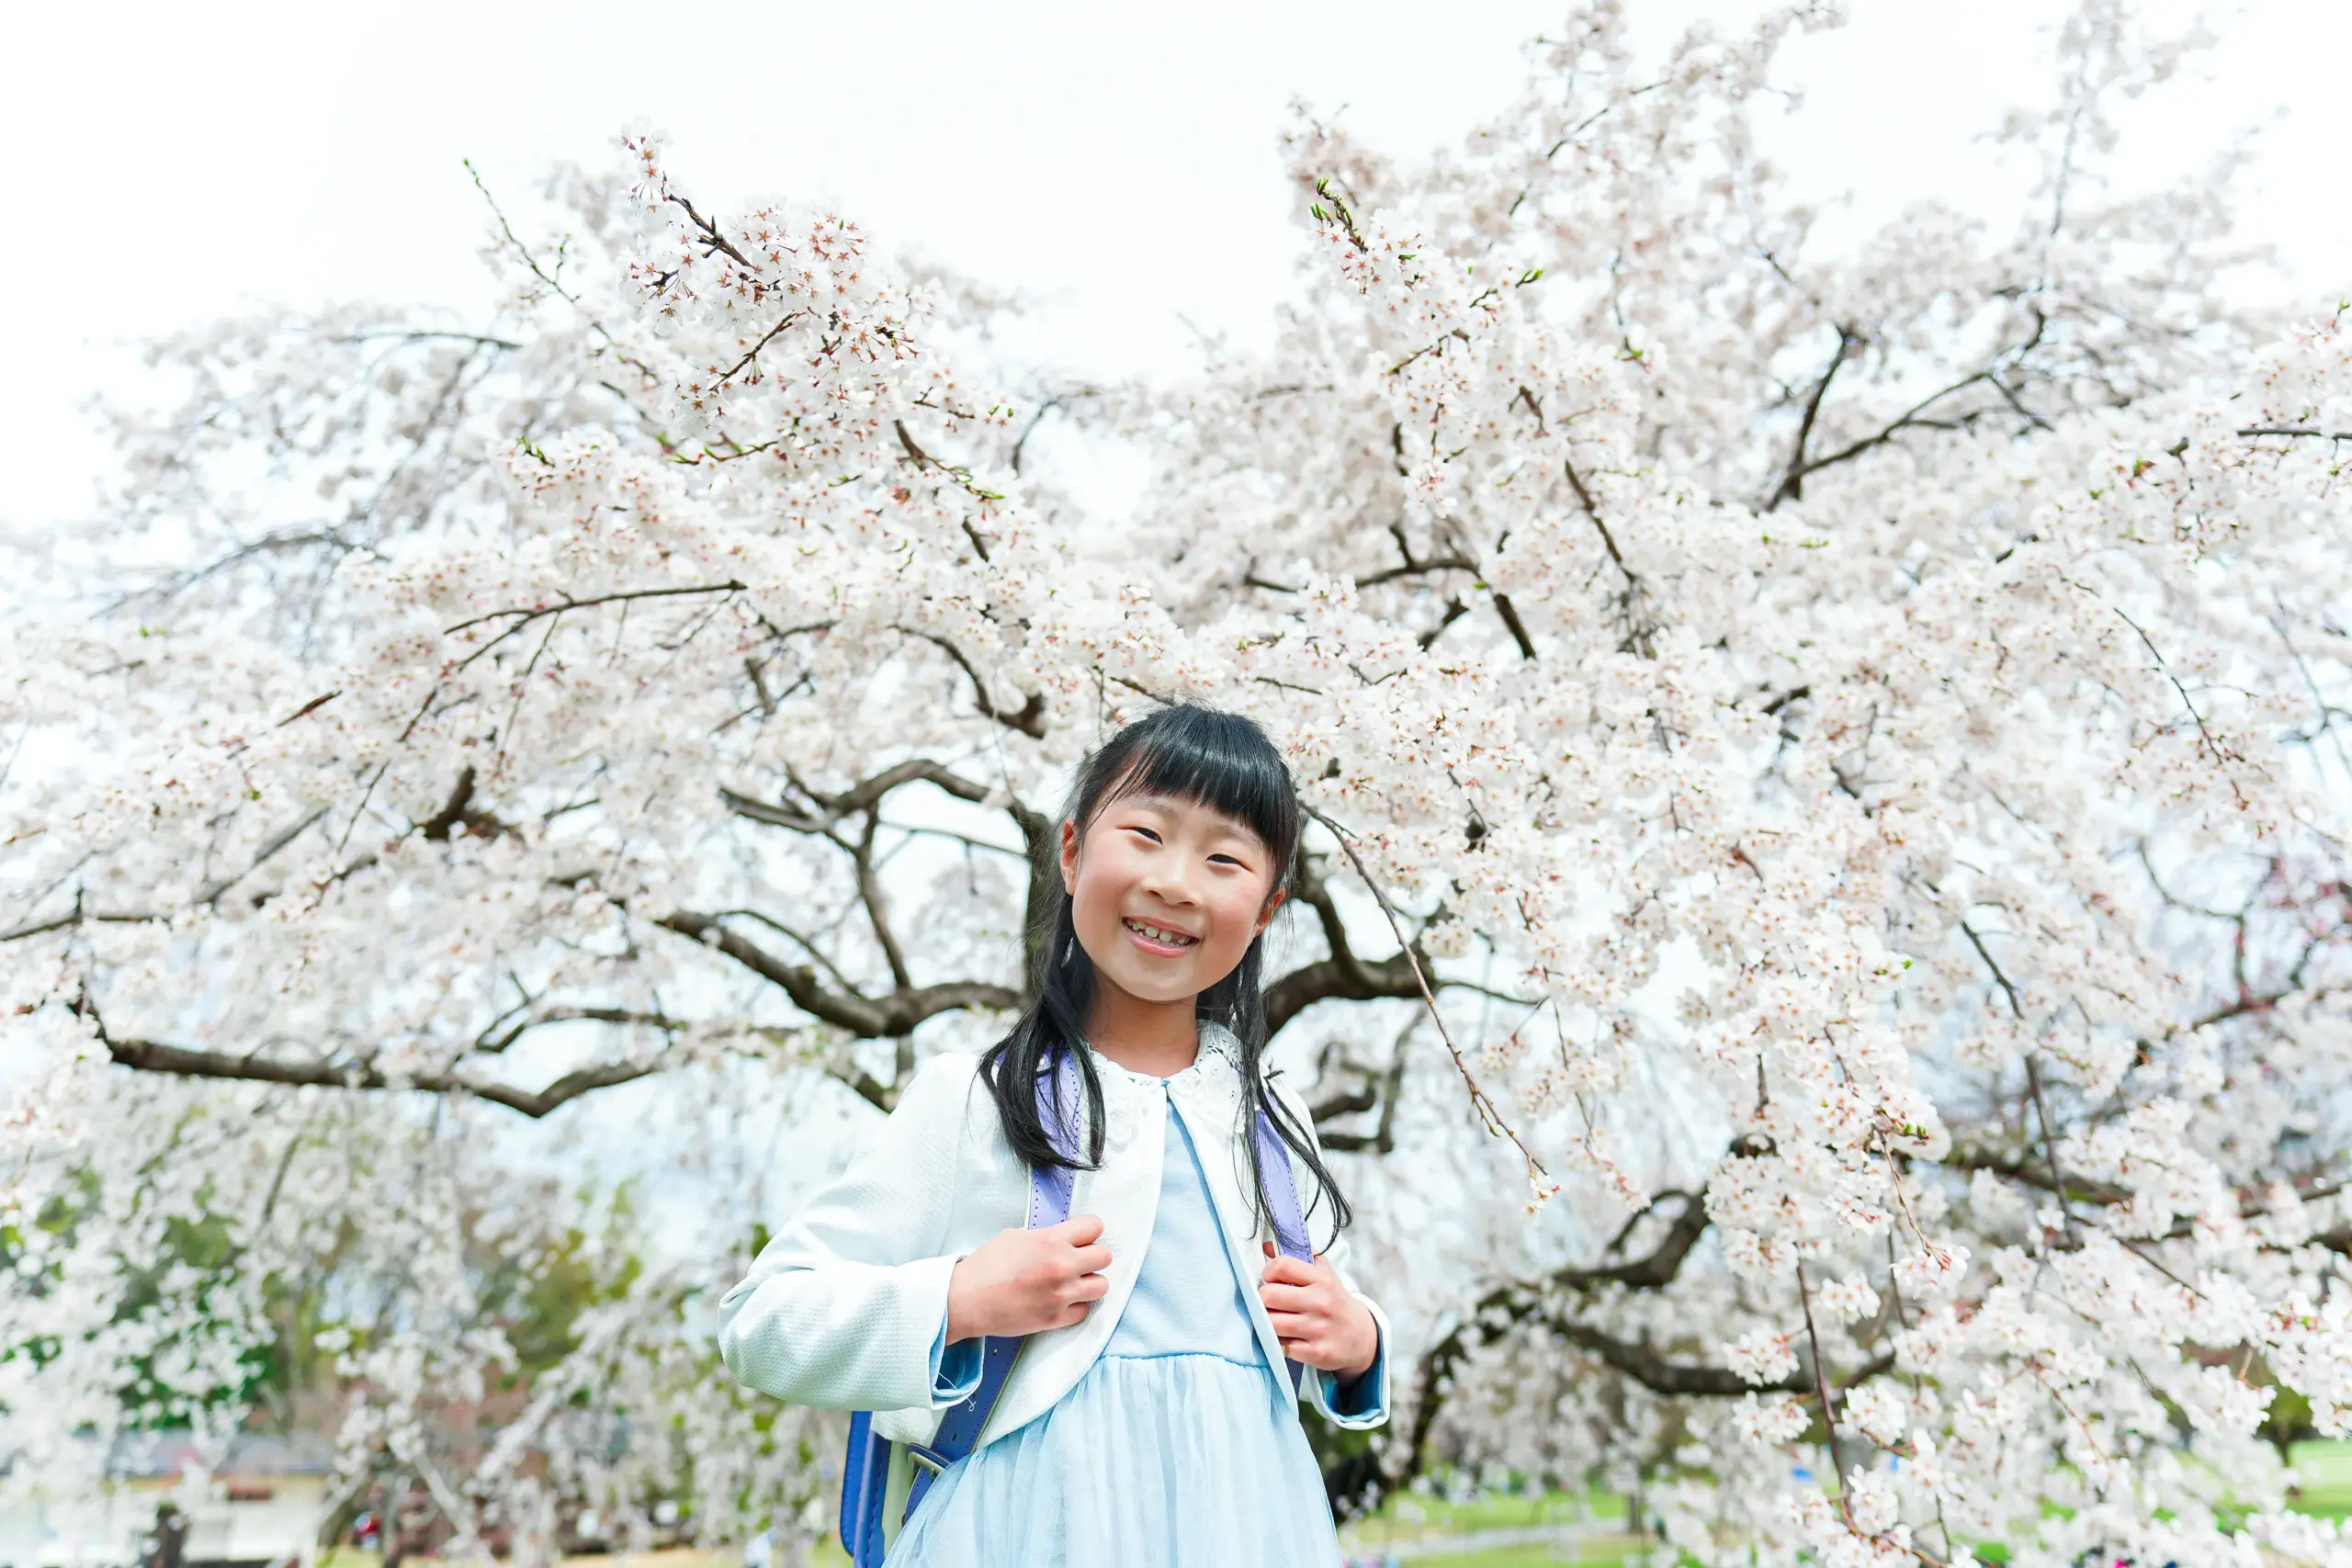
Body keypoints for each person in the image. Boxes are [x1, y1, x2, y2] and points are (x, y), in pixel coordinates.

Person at [718, 704, 1389, 1565]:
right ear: (1071, 853)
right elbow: (763, 1320)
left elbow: (1322, 1309)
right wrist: (957, 1300)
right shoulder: (977, 1099)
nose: (1177, 883)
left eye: (1223, 858)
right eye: (1146, 833)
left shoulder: (1271, 1118)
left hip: (1247, 1521)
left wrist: (1358, 1337)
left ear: (1266, 908)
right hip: (1029, 1526)